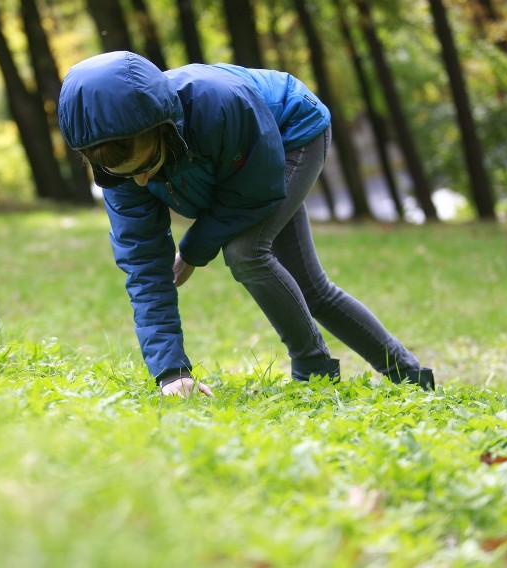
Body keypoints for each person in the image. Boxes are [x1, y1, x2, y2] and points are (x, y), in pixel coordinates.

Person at [58, 51, 434, 397]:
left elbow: (251, 193)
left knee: (245, 252)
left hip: (290, 133)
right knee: (309, 287)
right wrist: (171, 373)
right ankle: (412, 378)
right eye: (124, 175)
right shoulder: (120, 171)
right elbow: (144, 268)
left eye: (145, 167)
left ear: (164, 131)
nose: (140, 182)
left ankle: (313, 371)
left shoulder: (219, 104)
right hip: (236, 167)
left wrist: (192, 249)